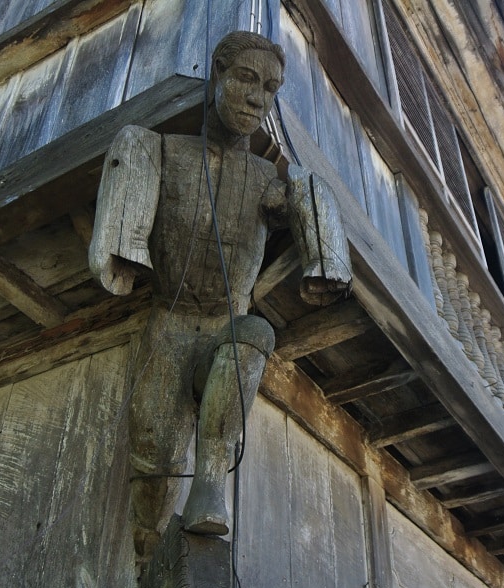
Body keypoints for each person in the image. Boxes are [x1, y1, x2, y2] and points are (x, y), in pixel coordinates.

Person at [90, 31, 351, 539]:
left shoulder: (264, 179)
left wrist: (318, 232)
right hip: (168, 323)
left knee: (254, 333)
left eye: (271, 88)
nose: (258, 97)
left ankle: (210, 487)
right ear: (218, 75)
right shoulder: (165, 151)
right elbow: (138, 159)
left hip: (224, 326)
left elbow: (301, 201)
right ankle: (148, 539)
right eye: (247, 79)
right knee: (154, 455)